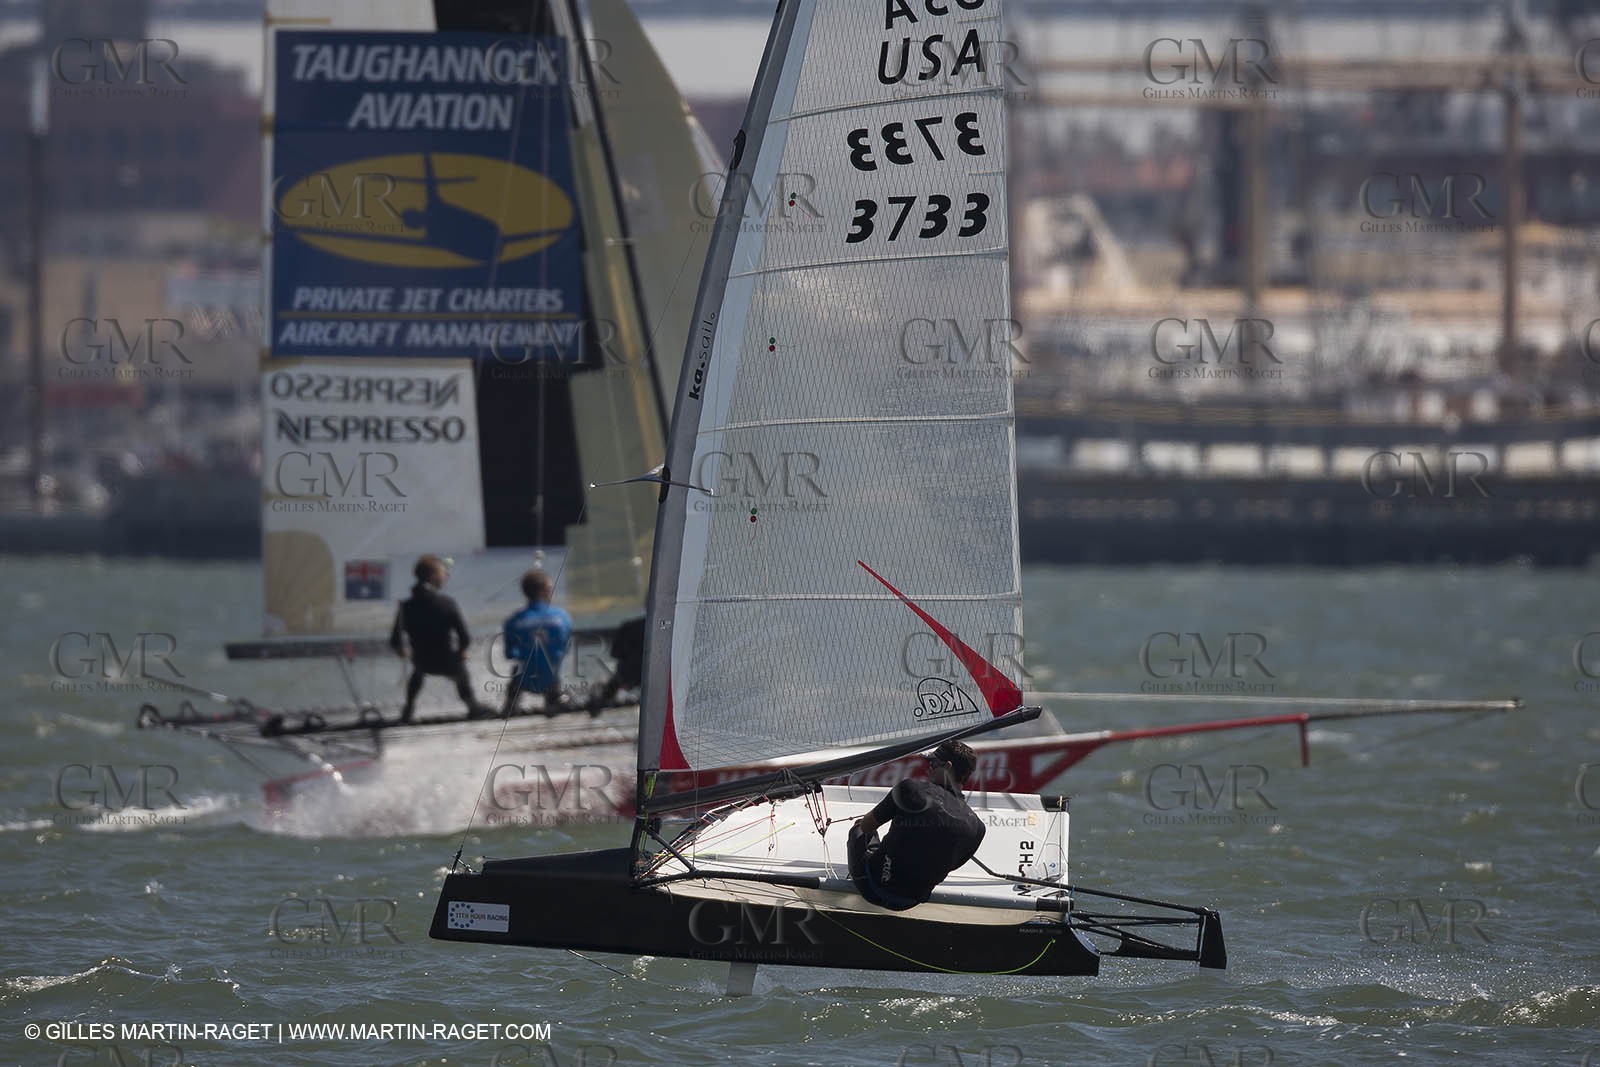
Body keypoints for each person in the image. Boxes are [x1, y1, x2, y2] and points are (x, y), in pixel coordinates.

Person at [848, 740, 986, 911]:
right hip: (910, 901)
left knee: (858, 827)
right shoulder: (978, 828)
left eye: (933, 763)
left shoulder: (911, 789)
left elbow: (867, 826)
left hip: (872, 886)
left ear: (948, 767)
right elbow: (951, 864)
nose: (928, 768)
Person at [390, 554, 486, 721]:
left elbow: (394, 640)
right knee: (461, 671)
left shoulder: (406, 607)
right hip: (447, 662)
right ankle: (473, 707)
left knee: (417, 671)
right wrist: (462, 651)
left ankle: (408, 708)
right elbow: (465, 638)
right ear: (433, 577)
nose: (446, 577)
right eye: (443, 573)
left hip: (422, 662)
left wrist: (402, 650)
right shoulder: (447, 603)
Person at [502, 569, 573, 716]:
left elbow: (509, 654)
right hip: (551, 681)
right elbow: (566, 649)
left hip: (524, 682)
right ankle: (553, 705)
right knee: (552, 666)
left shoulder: (513, 620)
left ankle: (509, 708)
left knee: (518, 670)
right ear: (545, 591)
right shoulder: (562, 616)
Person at [583, 616, 644, 714]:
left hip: (627, 675)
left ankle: (597, 706)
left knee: (607, 687)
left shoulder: (629, 627)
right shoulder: (666, 631)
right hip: (653, 676)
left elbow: (615, 653)